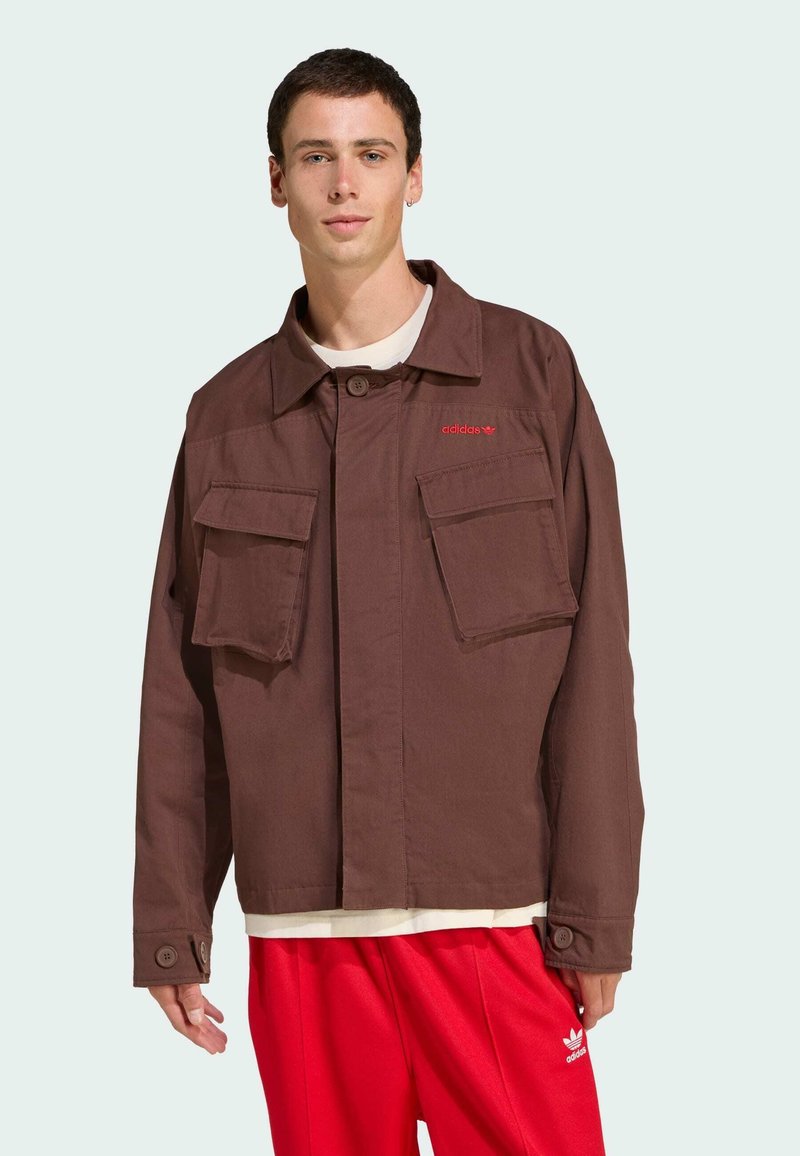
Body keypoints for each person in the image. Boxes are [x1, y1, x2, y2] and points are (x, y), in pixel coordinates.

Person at [132, 46, 645, 1155]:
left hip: (494, 925)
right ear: (276, 180)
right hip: (302, 936)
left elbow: (596, 661)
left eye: (371, 154)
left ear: (415, 175)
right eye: (315, 156)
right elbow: (181, 694)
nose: (344, 183)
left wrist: (594, 909)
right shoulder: (227, 417)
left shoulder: (528, 376)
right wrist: (172, 920)